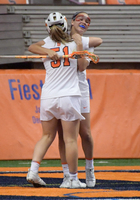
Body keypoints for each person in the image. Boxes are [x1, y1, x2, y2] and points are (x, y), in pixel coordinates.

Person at [26, 11, 91, 189]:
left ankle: (33, 170)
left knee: (46, 136)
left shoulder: (45, 43)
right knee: (70, 140)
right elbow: (82, 67)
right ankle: (73, 179)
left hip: (48, 97)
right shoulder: (73, 42)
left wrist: (47, 51)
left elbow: (31, 46)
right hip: (69, 96)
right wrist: (79, 45)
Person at [57, 11, 103, 188]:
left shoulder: (84, 42)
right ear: (72, 21)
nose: (84, 22)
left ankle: (90, 168)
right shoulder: (59, 39)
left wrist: (79, 42)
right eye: (80, 19)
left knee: (86, 133)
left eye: (88, 21)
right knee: (63, 136)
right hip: (61, 88)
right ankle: (67, 175)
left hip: (79, 90)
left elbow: (82, 67)